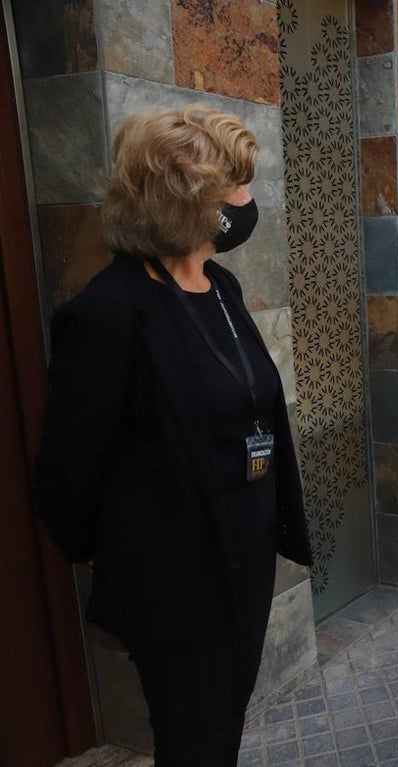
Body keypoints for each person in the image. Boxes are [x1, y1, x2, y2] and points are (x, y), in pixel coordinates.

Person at [35, 107, 313, 764]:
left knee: (222, 732)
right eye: (235, 187)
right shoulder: (108, 314)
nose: (248, 203)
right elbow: (66, 478)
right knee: (195, 744)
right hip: (175, 584)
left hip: (243, 566)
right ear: (188, 203)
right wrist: (135, 553)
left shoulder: (220, 285)